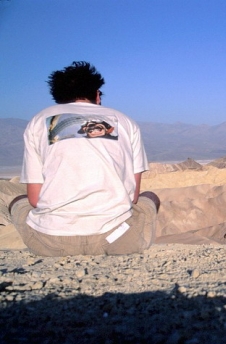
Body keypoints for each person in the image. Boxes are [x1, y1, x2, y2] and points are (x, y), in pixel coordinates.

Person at [9, 61, 160, 256]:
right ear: (97, 94)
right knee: (150, 198)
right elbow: (133, 196)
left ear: (59, 97)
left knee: (18, 201)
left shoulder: (39, 121)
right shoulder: (126, 122)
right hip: (116, 240)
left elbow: (34, 199)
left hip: (51, 243)